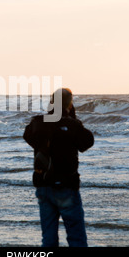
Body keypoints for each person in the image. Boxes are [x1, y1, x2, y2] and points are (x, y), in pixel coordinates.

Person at [23, 88, 94, 247]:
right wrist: (71, 118)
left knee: (48, 239)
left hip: (44, 185)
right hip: (66, 185)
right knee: (77, 239)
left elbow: (27, 136)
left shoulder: (38, 122)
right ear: (69, 104)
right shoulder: (72, 125)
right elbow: (87, 142)